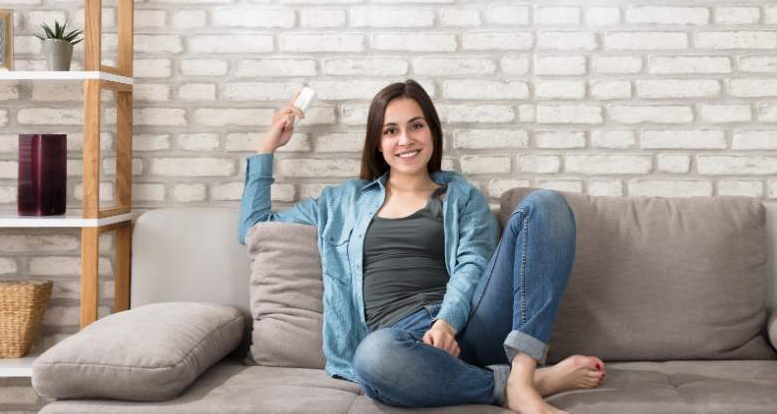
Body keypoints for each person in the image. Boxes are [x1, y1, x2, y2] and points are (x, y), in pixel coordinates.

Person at [238, 80, 604, 414]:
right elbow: (255, 230)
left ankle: (523, 377)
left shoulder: (460, 197)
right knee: (374, 358)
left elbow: (473, 264)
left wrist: (446, 323)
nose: (405, 140)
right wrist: (268, 147)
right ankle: (511, 384)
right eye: (391, 131)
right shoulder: (342, 201)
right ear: (378, 143)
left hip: (472, 324)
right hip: (402, 344)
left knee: (545, 204)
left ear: (431, 131)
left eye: (416, 125)